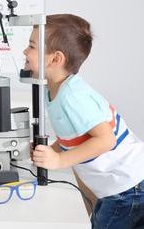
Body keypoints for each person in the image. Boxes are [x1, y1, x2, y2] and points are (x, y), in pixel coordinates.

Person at [26, 14, 144, 229]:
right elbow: (75, 137)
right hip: (120, 186)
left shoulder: (73, 95)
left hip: (128, 185)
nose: (25, 51)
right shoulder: (53, 90)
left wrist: (59, 161)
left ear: (55, 59)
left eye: (32, 46)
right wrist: (49, 152)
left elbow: (105, 140)